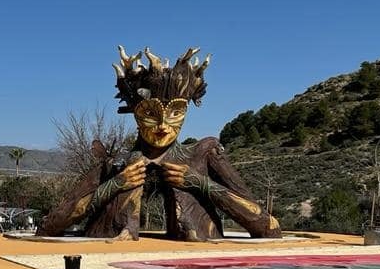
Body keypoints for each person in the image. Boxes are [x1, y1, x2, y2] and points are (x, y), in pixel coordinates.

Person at [39, 45, 281, 241]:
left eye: (176, 113)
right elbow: (50, 226)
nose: (163, 126)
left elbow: (268, 227)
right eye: (151, 114)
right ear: (136, 114)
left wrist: (199, 183)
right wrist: (114, 184)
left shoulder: (204, 153)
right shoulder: (116, 164)